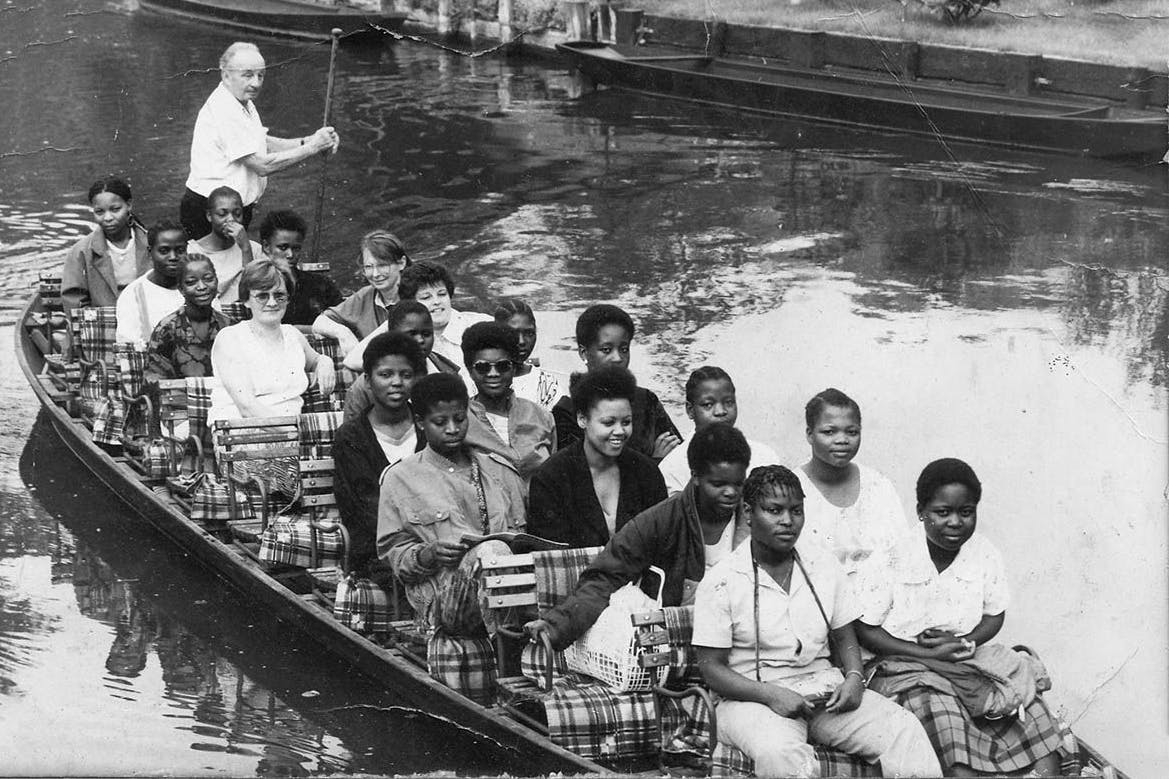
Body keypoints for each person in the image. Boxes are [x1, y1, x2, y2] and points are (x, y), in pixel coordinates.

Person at [692, 465, 941, 779]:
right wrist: (771, 695)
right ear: (748, 512)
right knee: (781, 754)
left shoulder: (822, 565)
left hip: (823, 691)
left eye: (796, 511)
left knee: (902, 730)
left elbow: (845, 637)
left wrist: (854, 679)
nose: (787, 521)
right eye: (774, 510)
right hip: (751, 701)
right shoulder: (722, 580)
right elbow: (712, 669)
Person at [856, 458, 1062, 776]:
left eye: (966, 512)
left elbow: (994, 615)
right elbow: (866, 629)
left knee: (1028, 704)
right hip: (901, 663)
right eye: (942, 512)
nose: (955, 522)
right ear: (921, 511)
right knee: (942, 714)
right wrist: (927, 654)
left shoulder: (985, 554)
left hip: (964, 658)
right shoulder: (892, 555)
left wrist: (966, 641)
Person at [524, 422, 749, 651]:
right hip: (686, 647)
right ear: (695, 476)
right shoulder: (661, 521)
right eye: (718, 484)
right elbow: (606, 577)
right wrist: (557, 626)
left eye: (738, 483)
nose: (731, 493)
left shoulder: (753, 519)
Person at [377, 372, 526, 635]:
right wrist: (429, 554)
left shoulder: (499, 470)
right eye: (440, 422)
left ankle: (511, 636)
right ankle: (508, 645)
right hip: (441, 598)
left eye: (459, 419)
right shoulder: (400, 478)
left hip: (508, 588)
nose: (452, 429)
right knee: (492, 552)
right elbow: (394, 554)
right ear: (420, 422)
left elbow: (524, 537)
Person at [180, 41, 339, 240]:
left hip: (232, 208)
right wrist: (314, 147)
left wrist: (308, 141)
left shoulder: (242, 101)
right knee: (216, 260)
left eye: (260, 75)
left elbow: (262, 142)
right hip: (211, 211)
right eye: (248, 75)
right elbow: (262, 165)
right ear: (226, 75)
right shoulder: (224, 109)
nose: (256, 83)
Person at [527, 365, 665, 548]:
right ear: (582, 419)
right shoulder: (551, 478)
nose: (620, 431)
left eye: (626, 422)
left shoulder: (647, 472)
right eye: (609, 423)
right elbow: (549, 554)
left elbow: (664, 542)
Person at [797, 388, 908, 605]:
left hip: (878, 609)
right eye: (829, 432)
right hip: (816, 607)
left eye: (852, 432)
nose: (842, 440)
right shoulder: (792, 488)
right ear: (810, 434)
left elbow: (901, 555)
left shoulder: (878, 486)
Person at [334, 332, 426, 581]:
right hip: (377, 550)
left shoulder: (429, 426)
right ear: (367, 380)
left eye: (406, 375)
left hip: (432, 539)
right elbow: (365, 507)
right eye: (385, 375)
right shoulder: (351, 437)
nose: (397, 382)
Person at [551, 304, 681, 462]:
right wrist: (655, 461)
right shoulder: (568, 411)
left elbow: (679, 455)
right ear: (583, 353)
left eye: (624, 349)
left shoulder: (646, 401)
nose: (618, 358)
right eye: (606, 350)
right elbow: (580, 469)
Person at [658, 366, 782, 496]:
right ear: (690, 410)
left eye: (728, 402)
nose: (720, 411)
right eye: (708, 405)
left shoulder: (765, 456)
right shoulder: (672, 468)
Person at [461, 322, 556, 481]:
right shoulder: (460, 421)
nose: (493, 373)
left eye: (502, 366)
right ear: (470, 371)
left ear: (514, 368)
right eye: (483, 367)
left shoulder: (541, 417)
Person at [341, 301, 459, 423]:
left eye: (426, 334)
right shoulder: (365, 388)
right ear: (392, 334)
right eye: (411, 334)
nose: (420, 340)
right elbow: (352, 431)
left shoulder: (447, 372)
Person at [312, 230, 411, 356]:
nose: (375, 274)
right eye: (368, 267)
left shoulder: (420, 292)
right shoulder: (365, 296)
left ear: (401, 263)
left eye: (382, 265)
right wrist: (343, 333)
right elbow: (320, 322)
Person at [62, 177, 150, 312]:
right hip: (102, 322)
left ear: (129, 205)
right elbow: (74, 302)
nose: (108, 218)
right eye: (100, 212)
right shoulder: (81, 252)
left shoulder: (153, 244)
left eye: (115, 209)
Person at [146, 253, 231, 384]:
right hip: (178, 396)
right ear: (181, 289)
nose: (202, 287)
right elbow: (156, 382)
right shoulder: (167, 329)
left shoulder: (229, 326)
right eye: (191, 282)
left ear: (217, 281)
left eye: (208, 279)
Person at [257, 209, 342, 327]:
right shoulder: (256, 288)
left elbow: (342, 322)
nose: (290, 254)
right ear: (266, 246)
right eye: (283, 248)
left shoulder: (321, 285)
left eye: (296, 248)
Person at [115, 220, 188, 346]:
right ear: (150, 252)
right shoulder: (134, 295)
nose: (173, 257)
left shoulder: (200, 286)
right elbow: (128, 346)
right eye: (164, 251)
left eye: (180, 250)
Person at [187, 186, 263, 304]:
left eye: (237, 214)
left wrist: (246, 249)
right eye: (222, 214)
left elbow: (255, 292)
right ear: (209, 216)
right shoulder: (192, 252)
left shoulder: (253, 249)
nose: (231, 219)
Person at [493, 300, 562, 410]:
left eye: (529, 333)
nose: (521, 341)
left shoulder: (547, 384)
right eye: (512, 334)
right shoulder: (479, 381)